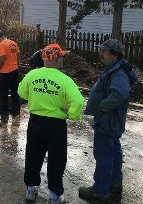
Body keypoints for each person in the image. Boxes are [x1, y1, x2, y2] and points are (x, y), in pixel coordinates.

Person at [18, 43, 85, 203]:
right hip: (56, 125)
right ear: (57, 60)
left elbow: (21, 92)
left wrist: (36, 99)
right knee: (56, 159)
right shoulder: (65, 80)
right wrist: (72, 114)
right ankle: (54, 196)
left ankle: (31, 189)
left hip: (35, 123)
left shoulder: (32, 75)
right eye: (62, 57)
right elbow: (78, 101)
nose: (62, 60)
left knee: (33, 155)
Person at [78, 39, 138, 204]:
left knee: (103, 154)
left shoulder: (117, 72)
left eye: (104, 51)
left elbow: (121, 93)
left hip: (108, 121)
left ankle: (100, 191)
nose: (101, 54)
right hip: (112, 122)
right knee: (114, 151)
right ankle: (114, 183)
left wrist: (102, 107)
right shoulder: (115, 68)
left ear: (114, 54)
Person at [0, 30, 21, 115]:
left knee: (3, 90)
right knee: (14, 90)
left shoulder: (1, 45)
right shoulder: (13, 43)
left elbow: (2, 58)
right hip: (14, 69)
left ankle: (4, 109)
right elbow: (18, 54)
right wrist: (17, 64)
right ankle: (16, 108)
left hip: (6, 71)